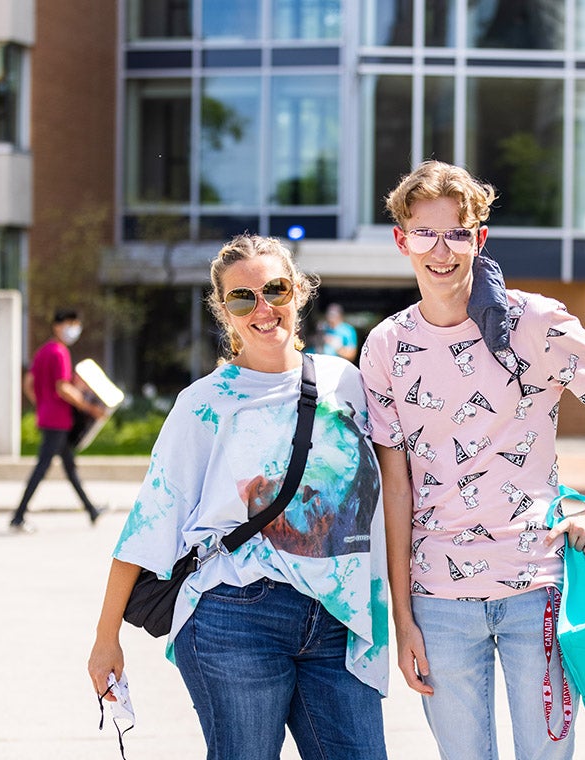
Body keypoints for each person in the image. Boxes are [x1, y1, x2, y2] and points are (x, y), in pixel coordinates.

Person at [359, 161, 585, 760]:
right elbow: (396, 485)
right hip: (438, 601)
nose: (441, 251)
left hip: (537, 589)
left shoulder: (535, 322)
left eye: (457, 234)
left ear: (479, 239)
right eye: (425, 234)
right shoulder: (385, 346)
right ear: (401, 240)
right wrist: (403, 615)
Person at [87, 234, 389, 760]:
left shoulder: (349, 383)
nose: (263, 308)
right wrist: (105, 638)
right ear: (223, 311)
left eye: (275, 289)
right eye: (242, 297)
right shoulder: (204, 403)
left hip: (341, 618)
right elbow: (150, 523)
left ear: (299, 292)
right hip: (236, 614)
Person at [9, 309, 105, 532]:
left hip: (48, 416)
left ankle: (91, 510)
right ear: (58, 326)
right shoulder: (60, 352)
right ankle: (18, 516)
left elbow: (28, 382)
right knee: (42, 467)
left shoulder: (42, 351)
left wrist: (41, 403)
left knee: (69, 467)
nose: (73, 330)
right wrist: (90, 408)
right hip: (58, 420)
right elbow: (63, 388)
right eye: (70, 324)